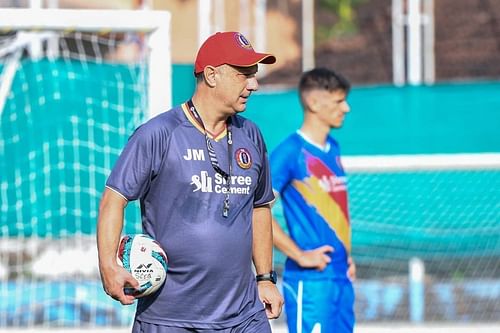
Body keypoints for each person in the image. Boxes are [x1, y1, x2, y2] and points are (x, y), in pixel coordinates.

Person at [97, 31, 283, 332]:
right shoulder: (158, 134)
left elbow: (259, 208)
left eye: (254, 75)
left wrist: (265, 278)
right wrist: (108, 265)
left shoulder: (252, 135)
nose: (254, 84)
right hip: (170, 318)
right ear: (211, 75)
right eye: (244, 74)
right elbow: (113, 199)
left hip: (244, 316)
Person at [270, 67, 356, 333]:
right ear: (314, 102)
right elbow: (256, 212)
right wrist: (299, 255)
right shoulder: (289, 152)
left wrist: (348, 257)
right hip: (311, 282)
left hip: (341, 277)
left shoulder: (334, 147)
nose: (347, 108)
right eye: (339, 101)